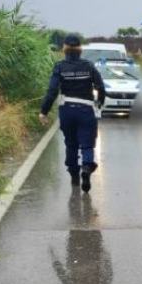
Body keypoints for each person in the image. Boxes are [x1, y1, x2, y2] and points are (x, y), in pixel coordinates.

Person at [39, 34, 106, 193]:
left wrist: (44, 111)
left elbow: (52, 91)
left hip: (67, 110)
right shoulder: (89, 66)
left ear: (64, 49)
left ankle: (74, 175)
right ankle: (87, 167)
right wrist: (100, 103)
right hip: (86, 110)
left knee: (71, 143)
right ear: (80, 50)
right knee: (87, 144)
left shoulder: (59, 67)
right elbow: (101, 88)